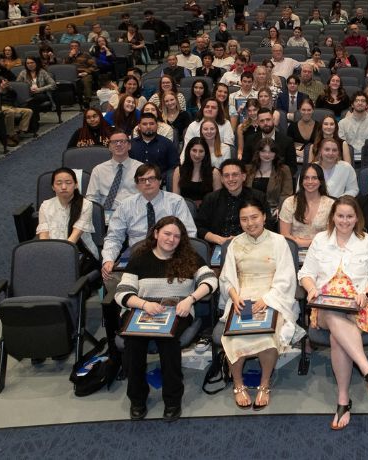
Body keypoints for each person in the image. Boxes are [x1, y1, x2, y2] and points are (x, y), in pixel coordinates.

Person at [115, 216, 217, 422]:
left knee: (168, 342)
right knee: (133, 344)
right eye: (167, 234)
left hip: (177, 312)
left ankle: (172, 400)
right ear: (156, 234)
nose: (171, 239)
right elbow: (121, 292)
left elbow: (211, 280)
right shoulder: (139, 258)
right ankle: (137, 399)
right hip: (142, 311)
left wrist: (190, 299)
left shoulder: (189, 258)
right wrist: (144, 304)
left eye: (177, 236)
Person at [298, 196, 368, 430]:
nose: (344, 221)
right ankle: (367, 369)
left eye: (349, 216)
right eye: (340, 216)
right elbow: (305, 273)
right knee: (331, 313)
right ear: (333, 217)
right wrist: (311, 288)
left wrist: (366, 294)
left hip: (359, 304)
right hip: (325, 304)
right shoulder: (320, 240)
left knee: (338, 339)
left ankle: (343, 400)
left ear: (357, 218)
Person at [218, 196, 299, 410]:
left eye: (254, 217)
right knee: (232, 336)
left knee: (267, 334)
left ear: (264, 216)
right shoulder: (235, 243)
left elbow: (286, 277)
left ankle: (264, 384)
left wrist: (267, 299)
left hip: (272, 295)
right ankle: (238, 383)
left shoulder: (279, 241)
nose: (250, 223)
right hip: (242, 295)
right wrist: (234, 297)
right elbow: (226, 277)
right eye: (244, 219)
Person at [195, 159, 270, 245]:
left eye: (235, 175)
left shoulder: (259, 197)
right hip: (218, 245)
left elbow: (267, 225)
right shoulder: (211, 198)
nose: (230, 179)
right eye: (226, 175)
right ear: (222, 179)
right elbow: (199, 227)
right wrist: (219, 239)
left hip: (252, 244)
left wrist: (243, 239)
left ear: (243, 177)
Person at [36, 167, 100, 265]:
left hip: (79, 252)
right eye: (59, 183)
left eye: (68, 182)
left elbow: (74, 237)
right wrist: (47, 253)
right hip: (51, 252)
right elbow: (44, 235)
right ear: (53, 187)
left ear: (76, 185)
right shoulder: (45, 205)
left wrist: (59, 257)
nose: (64, 187)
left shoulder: (86, 205)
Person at [86, 130, 141, 211]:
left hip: (134, 212)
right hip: (106, 214)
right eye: (114, 142)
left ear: (129, 146)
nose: (118, 144)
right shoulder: (98, 170)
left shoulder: (141, 168)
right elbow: (92, 198)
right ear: (109, 147)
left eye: (122, 141)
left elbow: (147, 195)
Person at [245, 138, 293, 215]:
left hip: (274, 211)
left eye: (271, 151)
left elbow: (287, 194)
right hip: (250, 210)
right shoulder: (248, 169)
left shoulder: (284, 170)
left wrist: (280, 208)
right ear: (258, 152)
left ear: (275, 153)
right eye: (263, 151)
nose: (267, 155)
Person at [172, 137, 222, 204]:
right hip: (184, 211)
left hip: (207, 211)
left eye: (201, 151)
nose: (197, 155)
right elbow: (176, 199)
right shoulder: (178, 171)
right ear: (188, 151)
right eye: (194, 150)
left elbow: (218, 200)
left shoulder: (214, 173)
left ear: (206, 153)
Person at [130, 113, 179, 179]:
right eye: (144, 124)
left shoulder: (167, 144)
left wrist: (160, 178)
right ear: (139, 126)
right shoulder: (131, 144)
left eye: (151, 124)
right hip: (134, 182)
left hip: (160, 182)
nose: (148, 127)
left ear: (157, 126)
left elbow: (174, 167)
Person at [15, 56, 55, 134]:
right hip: (29, 95)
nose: (30, 65)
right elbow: (18, 85)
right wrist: (27, 89)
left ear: (36, 63)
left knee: (33, 100)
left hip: (42, 94)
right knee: (31, 101)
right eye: (28, 63)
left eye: (32, 62)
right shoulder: (23, 73)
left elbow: (53, 84)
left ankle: (33, 124)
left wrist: (39, 89)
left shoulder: (42, 72)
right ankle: (33, 123)